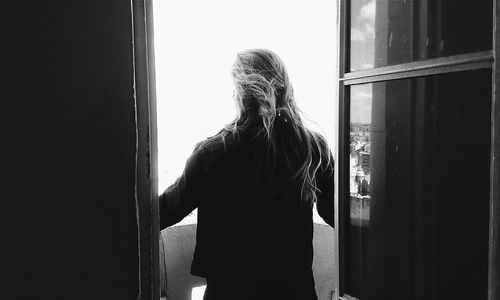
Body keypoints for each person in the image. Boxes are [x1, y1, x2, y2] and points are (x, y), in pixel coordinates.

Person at [159, 49, 334, 300]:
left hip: (230, 290)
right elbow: (336, 214)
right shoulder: (311, 148)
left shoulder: (214, 153)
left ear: (239, 92)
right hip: (295, 290)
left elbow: (166, 211)